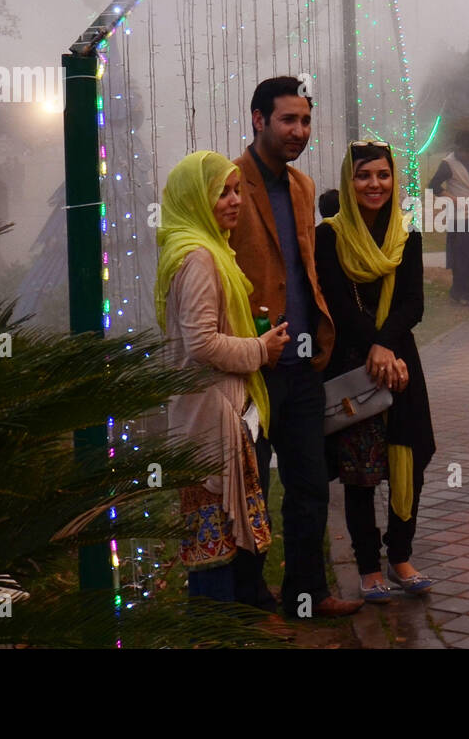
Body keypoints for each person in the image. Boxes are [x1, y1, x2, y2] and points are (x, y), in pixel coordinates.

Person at [228, 76, 362, 619]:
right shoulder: (230, 182)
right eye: (288, 120)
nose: (299, 131)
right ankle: (250, 599)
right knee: (250, 487)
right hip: (254, 367)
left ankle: (306, 595)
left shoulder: (304, 187)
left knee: (309, 485)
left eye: (305, 121)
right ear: (259, 119)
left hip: (305, 364)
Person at [155, 150, 290, 611]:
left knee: (223, 535)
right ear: (195, 199)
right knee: (213, 540)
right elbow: (201, 345)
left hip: (217, 410)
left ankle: (230, 624)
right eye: (221, 193)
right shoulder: (198, 257)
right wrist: (260, 349)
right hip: (208, 418)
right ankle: (215, 632)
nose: (234, 201)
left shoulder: (206, 249)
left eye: (236, 191)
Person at [315, 142, 436, 603]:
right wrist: (375, 347)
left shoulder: (407, 235)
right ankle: (367, 567)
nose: (374, 185)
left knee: (412, 455)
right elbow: (340, 307)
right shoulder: (329, 236)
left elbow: (413, 303)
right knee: (360, 470)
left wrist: (387, 346)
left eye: (383, 175)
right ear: (349, 180)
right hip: (354, 364)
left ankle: (400, 555)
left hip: (400, 362)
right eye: (364, 175)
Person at [428, 130, 469, 307]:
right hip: (460, 216)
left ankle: (457, 292)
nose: (466, 153)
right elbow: (433, 186)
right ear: (457, 147)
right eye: (463, 150)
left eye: (468, 150)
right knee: (464, 257)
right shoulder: (448, 163)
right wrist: (452, 198)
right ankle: (467, 295)